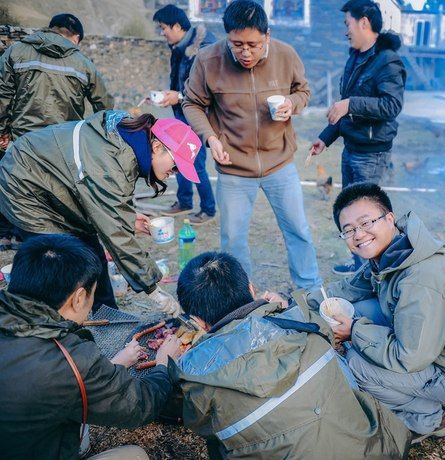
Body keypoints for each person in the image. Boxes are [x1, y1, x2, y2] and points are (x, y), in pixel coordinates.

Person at [307, 182, 445, 443]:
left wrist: (353, 331)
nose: (358, 235)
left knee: (355, 364)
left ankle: (429, 416)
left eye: (365, 223)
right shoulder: (392, 254)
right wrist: (293, 303)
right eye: (348, 230)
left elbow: (408, 357)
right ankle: (422, 402)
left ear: (389, 218)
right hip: (434, 350)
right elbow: (348, 289)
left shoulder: (421, 277)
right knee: (361, 307)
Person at [172, 251, 411, 459]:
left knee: (219, 442)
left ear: (198, 321)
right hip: (376, 450)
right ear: (251, 289)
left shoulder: (196, 372)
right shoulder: (304, 320)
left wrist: (164, 367)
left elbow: (198, 423)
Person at [0, 110, 201, 314]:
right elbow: (117, 235)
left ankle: (108, 315)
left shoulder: (129, 142)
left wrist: (128, 219)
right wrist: (152, 289)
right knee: (54, 261)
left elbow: (108, 202)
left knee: (93, 255)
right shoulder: (112, 162)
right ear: (157, 146)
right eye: (175, 167)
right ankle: (40, 326)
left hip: (59, 184)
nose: (172, 174)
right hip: (25, 184)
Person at [0, 234, 181, 459]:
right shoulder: (71, 361)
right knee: (135, 455)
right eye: (92, 294)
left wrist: (115, 364)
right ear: (78, 298)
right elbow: (140, 406)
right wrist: (163, 361)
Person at [183, 0, 322, 290]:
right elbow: (192, 104)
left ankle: (310, 291)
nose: (245, 52)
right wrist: (210, 137)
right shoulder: (208, 60)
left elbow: (304, 91)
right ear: (227, 37)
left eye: (253, 44)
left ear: (267, 36)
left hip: (279, 163)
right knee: (232, 239)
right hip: (233, 167)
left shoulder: (286, 55)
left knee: (298, 230)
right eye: (237, 44)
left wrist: (292, 103)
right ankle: (240, 295)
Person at [309, 0, 406, 275]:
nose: (345, 31)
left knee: (365, 219)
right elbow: (345, 110)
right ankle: (360, 269)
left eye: (347, 24)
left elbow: (391, 106)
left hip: (371, 154)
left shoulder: (387, 61)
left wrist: (350, 104)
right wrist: (325, 138)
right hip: (351, 149)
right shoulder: (355, 58)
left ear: (364, 22)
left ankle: (374, 275)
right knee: (352, 216)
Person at [0, 13, 114, 248]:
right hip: (63, 147)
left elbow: (2, 96)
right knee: (58, 192)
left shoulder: (16, 52)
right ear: (76, 37)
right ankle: (55, 239)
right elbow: (105, 107)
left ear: (51, 29)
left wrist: (2, 130)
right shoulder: (82, 63)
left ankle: (12, 235)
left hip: (23, 142)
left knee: (16, 186)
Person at [152, 4, 216, 225]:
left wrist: (177, 96)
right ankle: (184, 201)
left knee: (196, 162)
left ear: (177, 26)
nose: (162, 33)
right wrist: (169, 96)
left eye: (163, 28)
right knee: (178, 157)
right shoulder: (178, 46)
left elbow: (208, 89)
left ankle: (208, 209)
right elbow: (179, 81)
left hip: (199, 115)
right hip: (181, 112)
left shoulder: (205, 49)